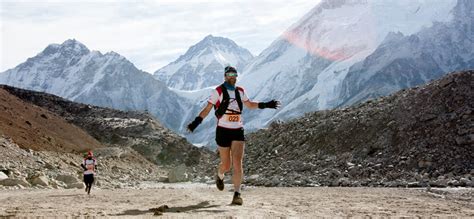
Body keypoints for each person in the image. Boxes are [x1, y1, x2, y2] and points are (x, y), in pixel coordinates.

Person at [187, 66, 280, 205]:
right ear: (225, 76)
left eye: (234, 74)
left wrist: (266, 104)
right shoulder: (217, 91)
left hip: (237, 130)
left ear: (236, 76)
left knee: (237, 162)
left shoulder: (240, 91)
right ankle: (220, 175)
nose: (232, 76)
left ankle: (237, 194)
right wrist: (196, 122)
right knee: (226, 165)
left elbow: (249, 104)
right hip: (223, 130)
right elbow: (207, 109)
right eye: (229, 74)